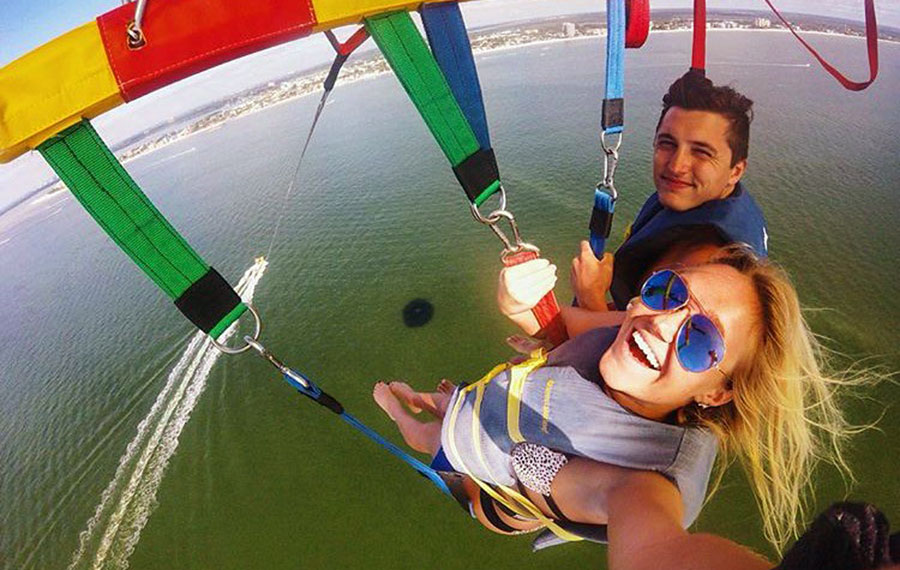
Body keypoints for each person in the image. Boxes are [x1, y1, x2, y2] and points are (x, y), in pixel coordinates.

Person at [373, 247, 863, 568]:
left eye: (699, 340)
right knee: (448, 405)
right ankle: (437, 407)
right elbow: (550, 329)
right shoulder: (622, 333)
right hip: (504, 411)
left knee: (431, 438)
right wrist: (515, 302)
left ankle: (406, 420)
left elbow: (657, 552)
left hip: (498, 496)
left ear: (716, 393)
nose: (662, 323)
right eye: (668, 291)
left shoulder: (647, 483)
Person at [572, 70, 769, 314]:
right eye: (667, 143)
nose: (676, 166)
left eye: (702, 152)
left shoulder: (705, 271)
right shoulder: (699, 207)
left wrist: (590, 296)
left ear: (735, 171)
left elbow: (639, 348)